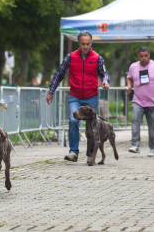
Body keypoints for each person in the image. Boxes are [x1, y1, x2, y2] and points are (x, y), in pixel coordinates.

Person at [46, 30, 110, 162]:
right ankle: (73, 152)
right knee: (73, 120)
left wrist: (105, 82)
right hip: (75, 96)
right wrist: (51, 91)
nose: (85, 47)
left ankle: (90, 154)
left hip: (91, 96)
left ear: (91, 43)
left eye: (88, 44)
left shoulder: (97, 58)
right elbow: (59, 73)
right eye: (83, 44)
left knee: (93, 125)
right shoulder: (70, 57)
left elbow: (104, 73)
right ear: (78, 43)